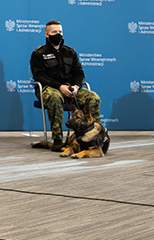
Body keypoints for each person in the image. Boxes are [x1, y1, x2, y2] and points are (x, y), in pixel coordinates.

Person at [30, 19, 101, 152]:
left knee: (93, 98)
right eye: (54, 32)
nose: (58, 34)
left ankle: (95, 137)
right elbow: (39, 76)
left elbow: (79, 73)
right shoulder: (38, 53)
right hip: (49, 88)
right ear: (47, 34)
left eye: (60, 32)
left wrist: (76, 86)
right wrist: (59, 86)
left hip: (71, 88)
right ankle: (57, 140)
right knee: (55, 98)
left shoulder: (70, 52)